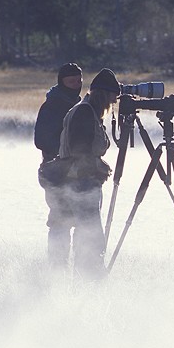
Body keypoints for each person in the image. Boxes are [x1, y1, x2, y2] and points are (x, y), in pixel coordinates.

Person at [57, 68, 120, 278]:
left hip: (80, 182)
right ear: (104, 94)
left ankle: (86, 274)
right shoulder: (85, 112)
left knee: (88, 231)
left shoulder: (87, 110)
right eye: (112, 97)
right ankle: (90, 276)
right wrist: (97, 167)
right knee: (90, 233)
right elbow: (79, 150)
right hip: (81, 183)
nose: (114, 102)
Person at [34, 63, 83, 267]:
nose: (76, 85)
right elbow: (41, 140)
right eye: (71, 82)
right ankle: (56, 269)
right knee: (59, 223)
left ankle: (81, 268)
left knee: (82, 223)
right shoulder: (52, 105)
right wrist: (67, 151)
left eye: (79, 81)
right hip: (56, 173)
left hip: (77, 174)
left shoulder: (80, 105)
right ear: (61, 82)